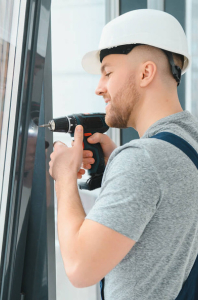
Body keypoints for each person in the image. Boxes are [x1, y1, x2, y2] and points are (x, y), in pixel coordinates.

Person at [49, 9, 198, 300]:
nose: (99, 88)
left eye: (108, 73)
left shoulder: (144, 160)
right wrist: (120, 166)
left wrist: (63, 178)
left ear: (145, 73)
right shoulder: (188, 142)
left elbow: (80, 267)